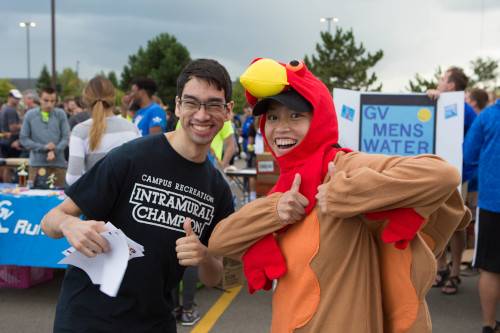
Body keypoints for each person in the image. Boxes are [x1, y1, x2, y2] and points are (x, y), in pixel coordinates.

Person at [209, 58, 470, 332]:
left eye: (295, 115)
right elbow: (219, 242)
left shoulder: (343, 166)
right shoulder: (285, 188)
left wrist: (349, 194)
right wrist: (276, 211)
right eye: (273, 117)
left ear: (319, 117)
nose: (281, 127)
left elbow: (443, 175)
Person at [41, 58, 235, 333]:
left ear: (228, 111)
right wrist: (69, 224)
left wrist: (204, 256)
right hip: (88, 319)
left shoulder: (218, 190)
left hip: (155, 322)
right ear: (178, 106)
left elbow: (219, 275)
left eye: (213, 104)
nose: (202, 115)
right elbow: (51, 220)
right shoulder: (131, 157)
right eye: (192, 103)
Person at [427, 66, 477, 295]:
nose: (438, 82)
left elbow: (473, 144)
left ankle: (455, 272)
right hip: (436, 174)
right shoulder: (437, 102)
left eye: (442, 79)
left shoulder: (466, 111)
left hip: (459, 176)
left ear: (451, 86)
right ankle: (441, 266)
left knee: (457, 224)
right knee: (435, 219)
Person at [463, 97, 500, 333]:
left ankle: (488, 325)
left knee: (490, 268)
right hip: (490, 201)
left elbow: (467, 154)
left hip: (492, 202)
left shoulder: (487, 116)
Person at [65, 76, 140, 186]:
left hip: (92, 199)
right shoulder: (132, 129)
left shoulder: (80, 131)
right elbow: (138, 169)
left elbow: (73, 178)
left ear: (85, 99)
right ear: (113, 98)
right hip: (124, 199)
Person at [20, 87, 70, 188]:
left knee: (59, 199)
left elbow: (66, 137)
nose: (49, 104)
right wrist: (44, 147)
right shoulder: (30, 115)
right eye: (46, 100)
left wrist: (54, 150)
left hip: (58, 165)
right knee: (34, 199)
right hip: (36, 165)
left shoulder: (60, 114)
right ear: (39, 99)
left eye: (53, 101)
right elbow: (24, 139)